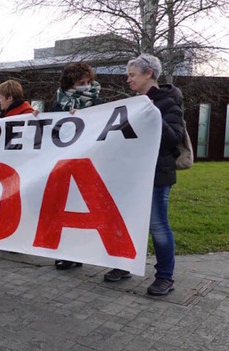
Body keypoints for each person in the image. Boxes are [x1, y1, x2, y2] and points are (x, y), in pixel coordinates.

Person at [103, 54, 184, 296]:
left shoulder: (169, 103)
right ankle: (123, 264)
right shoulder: (134, 104)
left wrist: (152, 113)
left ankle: (165, 277)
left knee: (157, 225)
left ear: (148, 74)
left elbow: (173, 140)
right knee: (125, 221)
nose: (128, 80)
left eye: (132, 75)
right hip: (132, 173)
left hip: (157, 176)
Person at [51, 62, 104, 270]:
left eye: (87, 82)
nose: (86, 86)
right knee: (67, 208)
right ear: (70, 84)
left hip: (91, 162)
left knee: (85, 209)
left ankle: (82, 252)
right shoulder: (58, 104)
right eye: (80, 83)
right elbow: (52, 131)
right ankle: (68, 252)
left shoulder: (99, 102)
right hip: (66, 163)